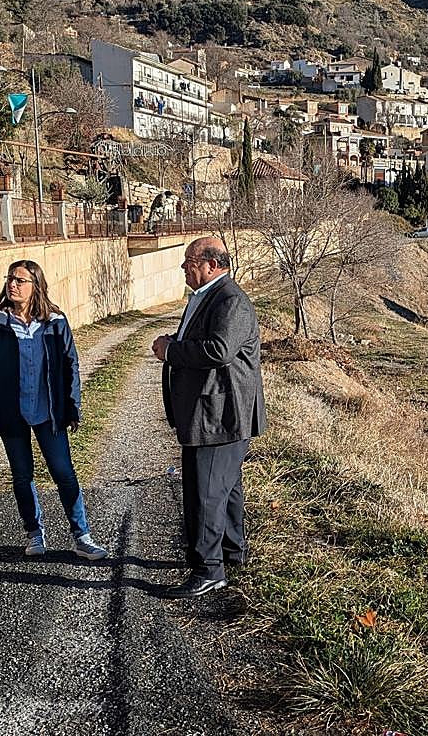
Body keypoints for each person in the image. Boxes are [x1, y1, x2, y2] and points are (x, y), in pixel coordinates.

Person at [152, 236, 266, 599]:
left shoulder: (230, 300)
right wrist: (179, 340)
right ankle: (233, 553)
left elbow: (218, 351)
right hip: (213, 413)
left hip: (218, 416)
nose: (184, 267)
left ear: (212, 265)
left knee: (205, 495)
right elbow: (207, 341)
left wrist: (171, 350)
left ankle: (208, 571)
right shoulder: (209, 296)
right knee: (225, 488)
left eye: (189, 261)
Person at [0, 260, 107, 560]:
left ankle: (81, 535)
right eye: (10, 279)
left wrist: (73, 407)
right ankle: (34, 534)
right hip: (12, 412)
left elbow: (70, 365)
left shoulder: (55, 322)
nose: (13, 285)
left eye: (21, 280)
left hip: (49, 411)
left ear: (36, 286)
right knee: (22, 474)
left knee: (63, 472)